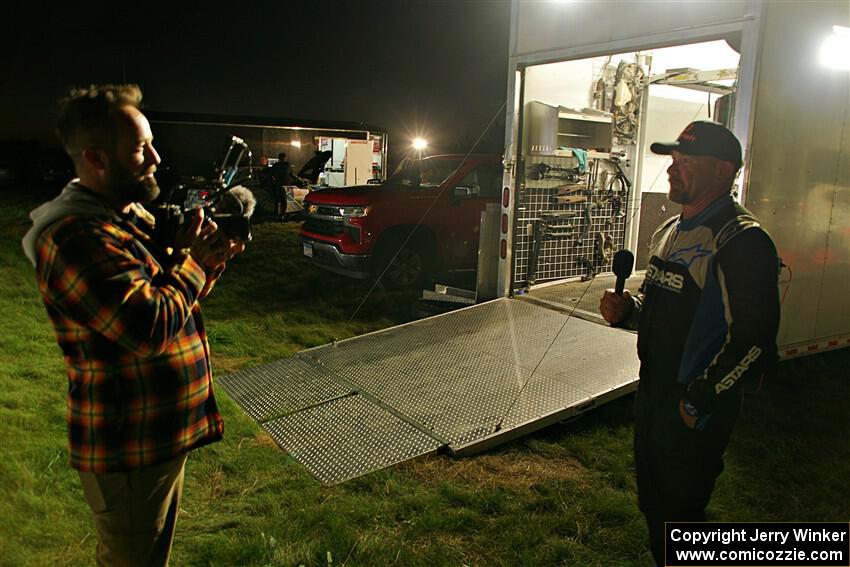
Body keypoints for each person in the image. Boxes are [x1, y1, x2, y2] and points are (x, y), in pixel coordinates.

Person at [21, 84, 245, 566]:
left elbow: (169, 298)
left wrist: (206, 259)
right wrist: (194, 265)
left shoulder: (118, 216)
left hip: (156, 437)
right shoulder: (73, 236)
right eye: (141, 148)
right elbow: (147, 327)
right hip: (128, 449)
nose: (157, 158)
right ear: (97, 158)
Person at [599, 121, 780, 566]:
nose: (671, 171)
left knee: (681, 517)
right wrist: (630, 312)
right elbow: (667, 308)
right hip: (653, 393)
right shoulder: (672, 230)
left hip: (691, 404)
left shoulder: (742, 240)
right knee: (656, 509)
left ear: (723, 170)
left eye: (685, 162)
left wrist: (698, 401)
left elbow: (755, 342)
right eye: (672, 161)